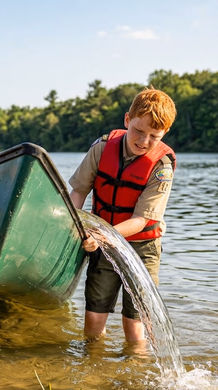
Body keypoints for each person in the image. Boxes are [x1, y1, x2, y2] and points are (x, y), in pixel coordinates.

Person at [68, 87, 177, 343]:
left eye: (154, 136)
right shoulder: (102, 148)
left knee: (134, 327)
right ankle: (95, 368)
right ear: (127, 120)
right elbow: (78, 192)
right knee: (93, 324)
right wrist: (75, 227)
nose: (144, 141)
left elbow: (143, 219)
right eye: (139, 131)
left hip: (142, 247)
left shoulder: (162, 166)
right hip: (102, 246)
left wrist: (101, 235)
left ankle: (136, 372)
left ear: (165, 134)